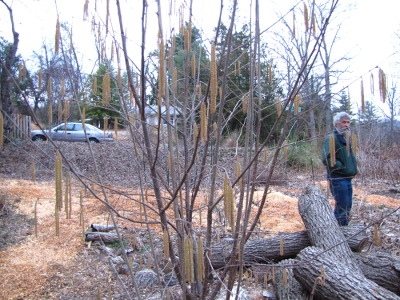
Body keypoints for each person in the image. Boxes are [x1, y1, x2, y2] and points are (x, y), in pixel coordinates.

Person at [322, 112, 358, 226]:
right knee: (342, 207)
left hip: (347, 178)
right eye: (344, 122)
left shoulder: (346, 139)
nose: (346, 125)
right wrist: (342, 167)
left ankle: (344, 229)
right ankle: (339, 233)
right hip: (337, 178)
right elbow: (326, 159)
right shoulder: (331, 139)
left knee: (347, 205)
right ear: (337, 124)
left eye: (348, 122)